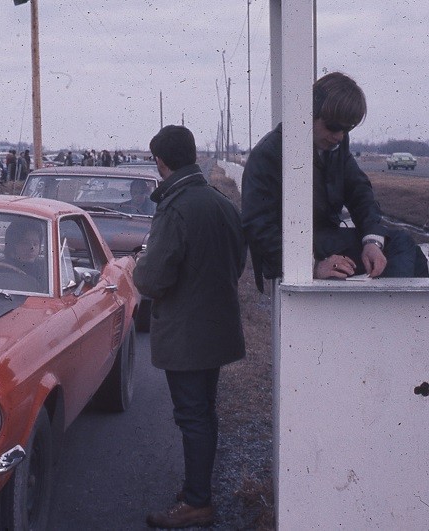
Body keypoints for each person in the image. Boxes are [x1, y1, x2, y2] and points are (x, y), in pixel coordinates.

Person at [134, 125, 246, 529]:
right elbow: (237, 264)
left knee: (192, 416)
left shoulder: (175, 206)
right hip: (216, 327)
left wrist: (138, 267)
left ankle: (197, 501)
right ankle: (198, 488)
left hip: (186, 334)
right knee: (204, 412)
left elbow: (152, 280)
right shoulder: (219, 203)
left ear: (161, 161)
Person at [242, 71, 429, 292]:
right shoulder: (269, 153)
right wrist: (311, 267)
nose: (339, 135)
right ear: (310, 111)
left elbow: (359, 192)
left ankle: (391, 319)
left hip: (321, 239)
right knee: (401, 245)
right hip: (289, 248)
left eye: (347, 129)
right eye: (333, 126)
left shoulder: (335, 146)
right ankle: (389, 318)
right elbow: (258, 226)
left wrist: (372, 242)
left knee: (402, 247)